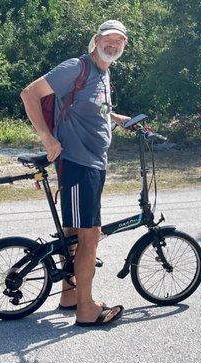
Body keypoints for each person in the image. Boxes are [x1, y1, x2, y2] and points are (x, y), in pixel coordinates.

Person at [20, 20, 131, 327]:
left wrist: (121, 119)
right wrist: (47, 138)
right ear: (96, 40)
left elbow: (95, 110)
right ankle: (86, 308)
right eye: (108, 39)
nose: (113, 45)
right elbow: (29, 94)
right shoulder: (76, 67)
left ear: (124, 46)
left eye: (119, 41)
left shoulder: (103, 73)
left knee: (73, 230)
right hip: (79, 163)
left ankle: (69, 295)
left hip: (92, 163)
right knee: (89, 236)